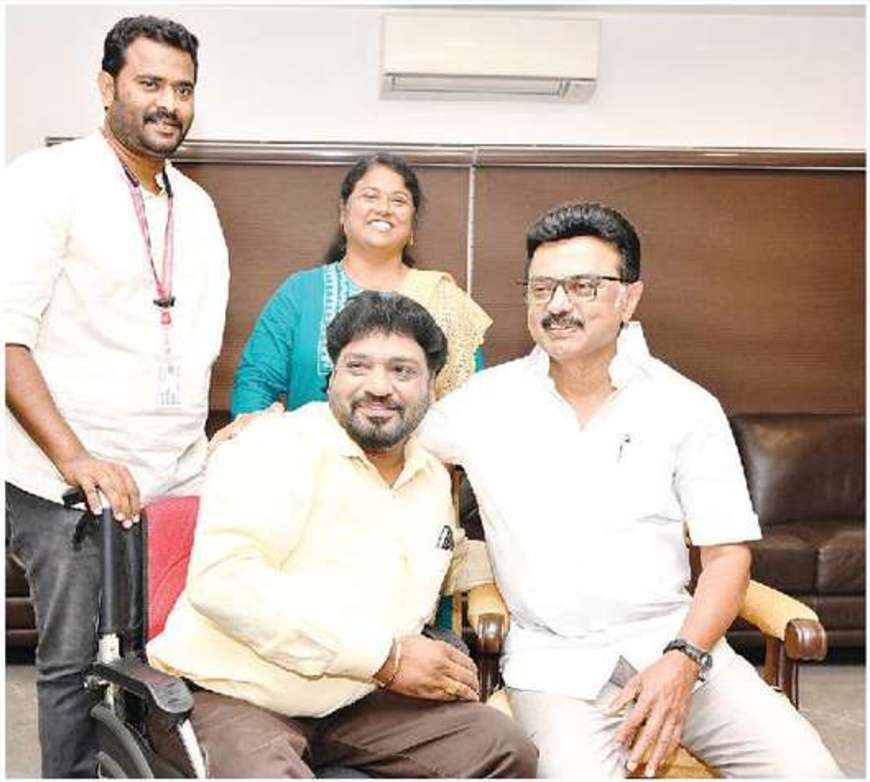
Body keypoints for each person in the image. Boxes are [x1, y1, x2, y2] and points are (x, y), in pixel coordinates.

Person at [417, 202, 842, 778]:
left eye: (583, 286)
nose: (558, 305)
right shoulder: (485, 404)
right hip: (555, 668)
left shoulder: (685, 407)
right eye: (542, 289)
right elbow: (387, 440)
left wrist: (684, 659)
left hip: (682, 649)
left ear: (629, 298)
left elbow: (726, 557)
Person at [147, 292, 537, 778]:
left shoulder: (431, 478)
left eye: (402, 371)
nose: (379, 387)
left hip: (357, 698)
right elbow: (224, 583)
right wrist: (387, 658)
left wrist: (492, 583)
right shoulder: (272, 447)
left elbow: (441, 553)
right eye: (358, 366)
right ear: (332, 376)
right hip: (237, 691)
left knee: (503, 747)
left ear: (432, 387)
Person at [3, 16, 228, 778]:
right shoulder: (46, 181)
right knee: (74, 668)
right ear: (107, 86)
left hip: (172, 480)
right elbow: (7, 339)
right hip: (66, 484)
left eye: (183, 89)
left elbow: (191, 346)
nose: (169, 103)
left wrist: (209, 451)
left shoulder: (197, 208)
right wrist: (77, 459)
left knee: (171, 662)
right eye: (150, 83)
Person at [229, 152, 491, 420]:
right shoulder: (301, 292)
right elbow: (256, 383)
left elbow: (470, 403)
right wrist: (256, 436)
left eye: (398, 200)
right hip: (311, 447)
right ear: (343, 213)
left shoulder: (445, 298)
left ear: (412, 223)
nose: (384, 208)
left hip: (416, 447)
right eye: (370, 196)